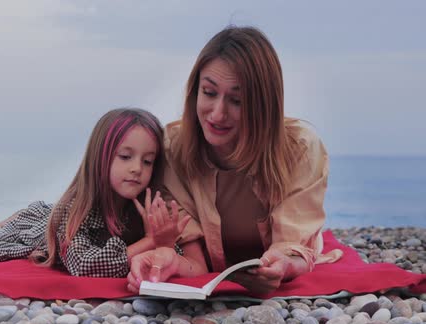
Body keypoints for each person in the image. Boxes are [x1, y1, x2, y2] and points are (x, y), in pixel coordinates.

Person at [127, 26, 343, 294]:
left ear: (263, 105)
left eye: (237, 100)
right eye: (209, 92)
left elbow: (295, 247)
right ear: (195, 91)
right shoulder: (172, 148)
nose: (217, 114)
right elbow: (189, 253)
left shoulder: (300, 148)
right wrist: (167, 259)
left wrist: (284, 265)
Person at [0, 108, 190, 277]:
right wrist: (150, 241)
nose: (136, 169)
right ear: (100, 157)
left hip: (47, 215)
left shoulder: (143, 206)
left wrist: (162, 240)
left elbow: (169, 250)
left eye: (147, 161)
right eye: (125, 156)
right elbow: (84, 265)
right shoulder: (76, 209)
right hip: (38, 226)